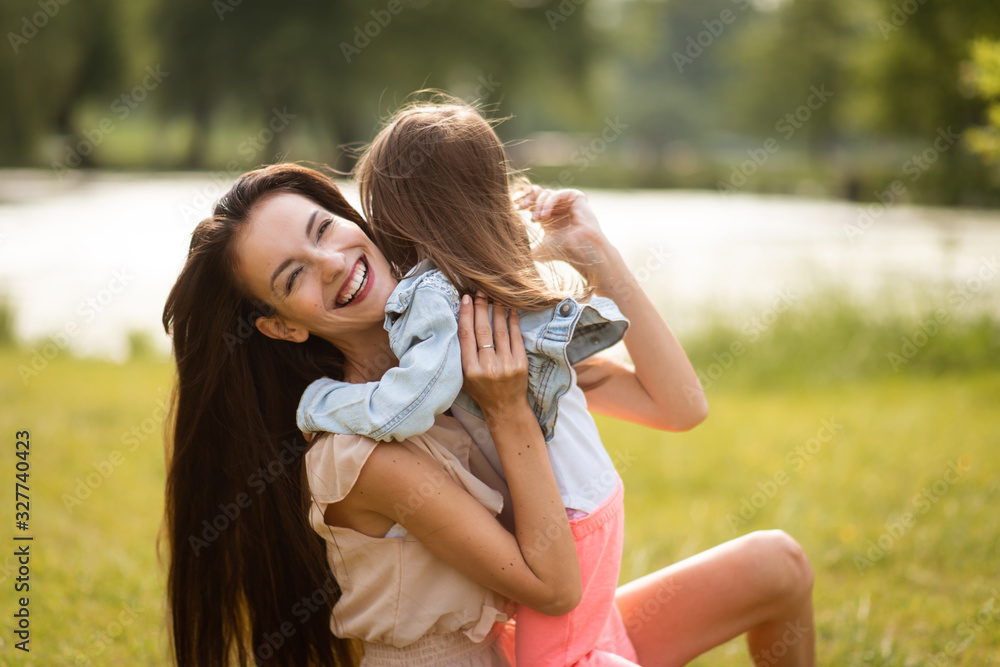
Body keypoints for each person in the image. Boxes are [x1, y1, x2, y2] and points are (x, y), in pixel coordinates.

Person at [164, 160, 816, 666]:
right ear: (281, 327)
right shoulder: (360, 454)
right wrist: (508, 410)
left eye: (324, 229)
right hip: (494, 648)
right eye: (293, 276)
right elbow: (555, 587)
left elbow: (679, 406)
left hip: (525, 645)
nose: (334, 263)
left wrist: (595, 254)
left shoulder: (468, 334)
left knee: (776, 564)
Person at [294, 101, 638, 666]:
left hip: (565, 523)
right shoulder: (505, 291)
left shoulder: (437, 298)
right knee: (581, 649)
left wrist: (326, 404)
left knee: (562, 661)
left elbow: (411, 403)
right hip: (592, 500)